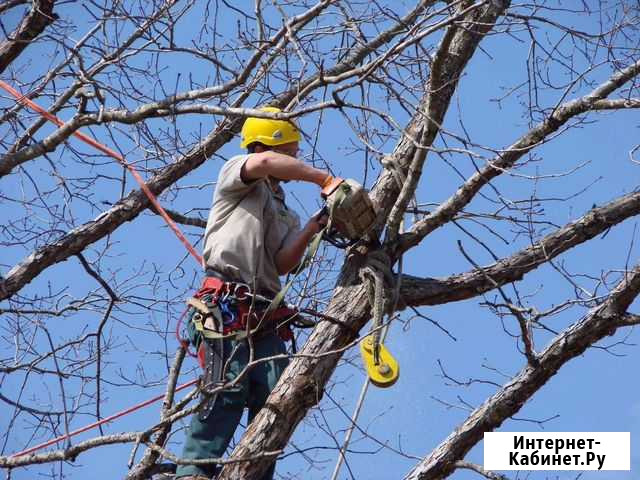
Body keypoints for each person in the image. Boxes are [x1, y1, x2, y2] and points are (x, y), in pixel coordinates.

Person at [176, 107, 339, 480]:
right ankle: (194, 471)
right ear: (274, 144)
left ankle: (256, 473)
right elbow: (263, 161)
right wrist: (324, 178)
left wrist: (316, 225)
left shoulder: (284, 210)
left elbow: (282, 262)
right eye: (291, 152)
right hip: (226, 307)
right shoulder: (238, 174)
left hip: (264, 316)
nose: (294, 160)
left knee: (277, 398)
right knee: (227, 389)